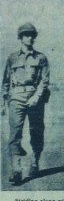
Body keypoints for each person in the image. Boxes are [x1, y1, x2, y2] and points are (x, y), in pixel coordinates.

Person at [1, 23, 50, 183]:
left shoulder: (41, 58)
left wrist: (37, 96)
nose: (30, 37)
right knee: (15, 133)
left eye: (32, 35)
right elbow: (6, 82)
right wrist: (3, 102)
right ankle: (16, 169)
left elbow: (44, 80)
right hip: (16, 97)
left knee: (36, 131)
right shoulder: (12, 57)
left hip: (35, 98)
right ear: (20, 38)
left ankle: (35, 162)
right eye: (26, 35)